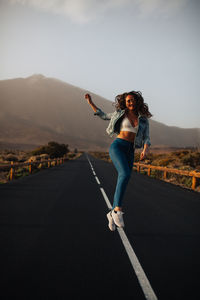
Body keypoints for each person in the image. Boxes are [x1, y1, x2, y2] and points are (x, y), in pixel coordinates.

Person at [84, 91, 152, 231]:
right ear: (124, 103)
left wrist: (145, 149)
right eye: (128, 101)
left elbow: (146, 137)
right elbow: (103, 115)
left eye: (133, 100)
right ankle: (117, 210)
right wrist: (91, 103)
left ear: (137, 101)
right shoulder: (120, 114)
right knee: (125, 174)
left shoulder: (143, 119)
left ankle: (111, 213)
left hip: (130, 150)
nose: (131, 102)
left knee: (125, 178)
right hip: (118, 146)